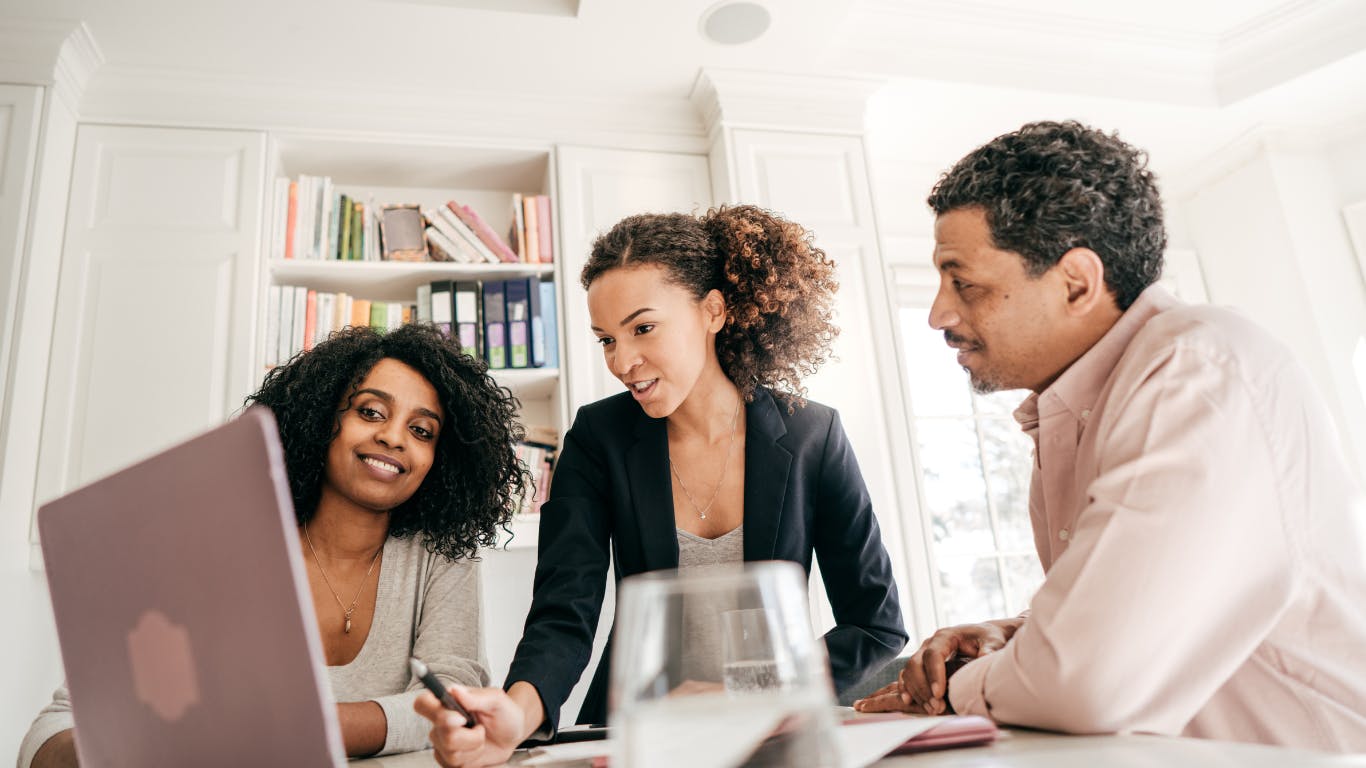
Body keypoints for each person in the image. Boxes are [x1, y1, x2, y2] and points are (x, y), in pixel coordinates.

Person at [854, 121, 1366, 752]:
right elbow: (1157, 608)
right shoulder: (1075, 407)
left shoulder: (1197, 373)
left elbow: (1084, 682)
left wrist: (962, 684)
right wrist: (1017, 637)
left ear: (1077, 282)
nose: (940, 314)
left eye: (964, 283)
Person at [416, 205, 908, 767]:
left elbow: (876, 624)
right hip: (638, 736)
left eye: (643, 328)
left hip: (775, 734)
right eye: (606, 340)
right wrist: (517, 714)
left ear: (713, 311)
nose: (622, 361)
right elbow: (564, 612)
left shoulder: (811, 436)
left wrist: (742, 692)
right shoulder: (597, 438)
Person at [19, 323, 531, 767]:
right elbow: (56, 727)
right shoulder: (218, 547)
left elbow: (450, 703)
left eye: (421, 430)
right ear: (321, 418)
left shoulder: (441, 555)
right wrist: (135, 752)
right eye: (371, 412)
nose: (394, 438)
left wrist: (287, 731)